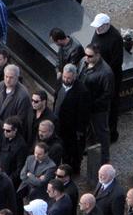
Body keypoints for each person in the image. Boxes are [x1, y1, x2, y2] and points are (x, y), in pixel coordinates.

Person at [90, 12, 124, 143]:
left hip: (110, 77)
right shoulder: (98, 32)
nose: (97, 29)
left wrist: (102, 72)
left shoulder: (115, 38)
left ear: (107, 25)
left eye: (100, 27)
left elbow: (116, 61)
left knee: (112, 105)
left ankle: (112, 132)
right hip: (98, 73)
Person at [79, 43, 113, 164]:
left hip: (98, 109)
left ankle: (104, 157)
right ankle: (89, 147)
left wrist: (92, 104)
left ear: (98, 55)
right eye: (85, 54)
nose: (86, 58)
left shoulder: (106, 73)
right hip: (85, 104)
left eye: (90, 56)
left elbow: (107, 94)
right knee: (88, 128)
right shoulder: (84, 62)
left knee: (102, 132)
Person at [53, 64, 88, 174]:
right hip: (59, 124)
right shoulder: (60, 82)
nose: (66, 80)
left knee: (72, 151)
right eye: (64, 77)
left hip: (72, 127)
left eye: (68, 78)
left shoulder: (82, 91)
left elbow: (83, 113)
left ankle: (71, 170)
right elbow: (56, 99)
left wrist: (80, 130)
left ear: (74, 76)